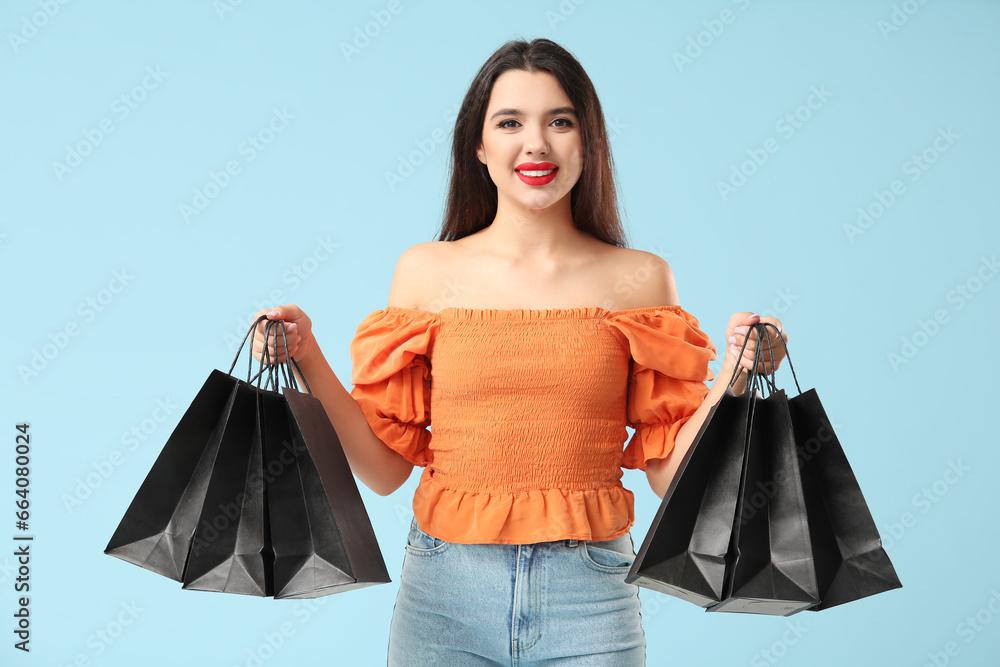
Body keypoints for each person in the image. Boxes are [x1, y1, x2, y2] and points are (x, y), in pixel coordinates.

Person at [251, 38, 788, 667]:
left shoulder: (640, 281)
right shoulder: (427, 272)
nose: (535, 144)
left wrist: (735, 377)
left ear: (588, 142)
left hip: (591, 592)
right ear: (479, 146)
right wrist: (307, 353)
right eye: (510, 122)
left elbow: (670, 475)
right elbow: (385, 470)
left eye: (560, 121)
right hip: (444, 591)